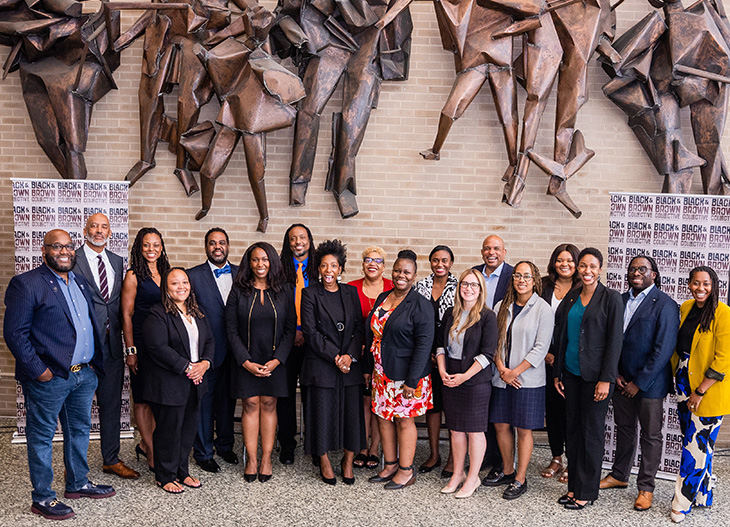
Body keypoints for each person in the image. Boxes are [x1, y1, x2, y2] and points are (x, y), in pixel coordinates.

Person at [4, 229, 115, 520]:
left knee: (79, 431)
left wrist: (90, 366)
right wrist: (39, 371)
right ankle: (42, 497)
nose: (64, 251)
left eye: (68, 246)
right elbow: (15, 334)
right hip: (49, 378)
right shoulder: (26, 284)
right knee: (41, 437)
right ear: (44, 251)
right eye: (56, 246)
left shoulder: (78, 280)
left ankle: (78, 483)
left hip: (82, 375)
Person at [599, 255, 679, 512]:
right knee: (624, 429)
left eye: (642, 269)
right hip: (621, 379)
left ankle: (646, 487)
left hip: (649, 384)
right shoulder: (619, 300)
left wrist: (639, 382)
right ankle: (620, 475)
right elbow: (611, 341)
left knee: (651, 435)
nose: (636, 272)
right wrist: (616, 374)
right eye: (632, 269)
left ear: (653, 274)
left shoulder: (665, 304)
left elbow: (664, 349)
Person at [553, 247, 623, 509]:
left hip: (596, 379)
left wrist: (607, 379)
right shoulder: (572, 296)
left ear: (600, 269)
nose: (587, 271)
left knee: (591, 434)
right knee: (573, 432)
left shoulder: (611, 299)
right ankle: (574, 488)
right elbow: (563, 336)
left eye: (592, 266)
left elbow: (615, 343)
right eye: (583, 266)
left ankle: (587, 492)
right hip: (571, 374)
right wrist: (558, 372)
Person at [72, 213, 139, 479]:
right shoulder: (72, 259)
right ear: (85, 229)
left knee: (111, 406)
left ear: (110, 232)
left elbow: (117, 305)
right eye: (94, 226)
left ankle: (111, 459)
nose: (99, 231)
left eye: (104, 227)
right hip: (83, 349)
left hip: (112, 347)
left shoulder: (117, 261)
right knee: (77, 409)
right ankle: (75, 466)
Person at [227, 242, 296, 482]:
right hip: (246, 360)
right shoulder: (238, 291)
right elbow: (231, 329)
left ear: (272, 262)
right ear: (249, 262)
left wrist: (278, 361)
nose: (260, 264)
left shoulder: (285, 290)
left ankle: (266, 458)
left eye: (265, 259)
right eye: (255, 260)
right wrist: (245, 361)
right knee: (250, 405)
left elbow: (290, 330)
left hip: (275, 361)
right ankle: (252, 460)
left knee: (269, 404)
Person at [366, 250, 434, 490]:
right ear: (391, 271)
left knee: (404, 421)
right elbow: (373, 335)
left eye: (406, 272)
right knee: (384, 418)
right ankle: (391, 464)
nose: (400, 275)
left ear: (414, 275)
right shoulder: (383, 297)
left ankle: (406, 471)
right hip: (381, 373)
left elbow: (425, 345)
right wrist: (368, 368)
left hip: (407, 376)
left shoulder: (420, 304)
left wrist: (412, 380)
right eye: (397, 270)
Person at [143, 268, 214, 493]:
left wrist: (205, 364)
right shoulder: (157, 313)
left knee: (187, 429)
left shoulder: (197, 312)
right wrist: (187, 367)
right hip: (170, 381)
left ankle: (182, 471)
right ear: (166, 287)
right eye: (175, 283)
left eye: (185, 282)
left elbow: (210, 341)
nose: (181, 286)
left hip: (196, 380)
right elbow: (157, 347)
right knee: (169, 430)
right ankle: (164, 476)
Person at [301, 240, 365, 485]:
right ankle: (324, 460)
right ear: (318, 268)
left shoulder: (350, 293)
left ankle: (348, 461)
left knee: (352, 415)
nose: (329, 270)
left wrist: (349, 355)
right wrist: (336, 357)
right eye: (324, 266)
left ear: (341, 269)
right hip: (321, 365)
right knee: (321, 414)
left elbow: (359, 328)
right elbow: (310, 332)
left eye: (334, 266)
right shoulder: (310, 294)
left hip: (350, 366)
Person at [488, 262, 553, 499]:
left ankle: (520, 478)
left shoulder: (542, 309)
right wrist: (502, 368)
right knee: (501, 424)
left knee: (524, 430)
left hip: (527, 379)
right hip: (501, 376)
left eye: (527, 276)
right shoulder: (500, 307)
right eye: (517, 275)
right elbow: (493, 342)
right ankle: (507, 469)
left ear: (535, 280)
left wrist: (514, 372)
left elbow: (540, 348)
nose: (521, 280)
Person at [670, 266, 730, 523]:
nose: (700, 288)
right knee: (698, 444)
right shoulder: (685, 308)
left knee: (695, 447)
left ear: (714, 285)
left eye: (705, 284)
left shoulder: (724, 313)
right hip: (684, 380)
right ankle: (703, 494)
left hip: (708, 388)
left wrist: (700, 391)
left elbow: (724, 358)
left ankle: (681, 502)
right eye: (695, 283)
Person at [436, 269, 497, 499]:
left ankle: (473, 477)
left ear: (481, 289)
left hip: (475, 383)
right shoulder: (450, 314)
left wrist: (464, 376)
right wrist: (442, 371)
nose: (468, 288)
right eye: (464, 284)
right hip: (451, 380)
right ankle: (457, 473)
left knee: (474, 432)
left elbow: (487, 354)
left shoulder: (487, 317)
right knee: (456, 431)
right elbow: (441, 347)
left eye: (473, 285)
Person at [188, 228, 239, 473]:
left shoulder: (242, 273)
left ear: (228, 246)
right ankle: (203, 452)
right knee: (205, 403)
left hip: (237, 351)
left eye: (221, 242)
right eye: (212, 243)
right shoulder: (193, 276)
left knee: (228, 400)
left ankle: (226, 445)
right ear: (206, 247)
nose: (217, 247)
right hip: (206, 350)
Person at [121, 227, 171, 472]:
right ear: (139, 249)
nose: (152, 249)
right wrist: (131, 350)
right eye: (146, 245)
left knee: (158, 398)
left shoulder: (167, 272)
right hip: (141, 344)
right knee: (142, 399)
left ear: (162, 248)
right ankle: (150, 451)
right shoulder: (133, 275)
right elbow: (126, 314)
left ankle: (146, 443)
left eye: (156, 245)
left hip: (163, 345)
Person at [472, 234, 513, 479]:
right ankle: (482, 456)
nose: (491, 252)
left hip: (500, 345)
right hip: (474, 346)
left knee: (498, 409)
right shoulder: (474, 273)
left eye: (496, 248)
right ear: (481, 252)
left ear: (504, 252)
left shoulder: (512, 275)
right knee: (480, 405)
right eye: (487, 248)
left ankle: (500, 460)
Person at [348, 246, 392, 469]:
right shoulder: (350, 288)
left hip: (385, 357)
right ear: (362, 264)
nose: (372, 263)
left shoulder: (394, 289)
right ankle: (361, 447)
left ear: (384, 266)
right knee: (363, 401)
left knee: (379, 403)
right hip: (357, 355)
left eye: (377, 260)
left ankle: (374, 449)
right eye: (367, 259)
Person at [416, 245, 458, 476]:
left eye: (444, 260)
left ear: (451, 263)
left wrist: (442, 352)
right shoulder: (420, 286)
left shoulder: (460, 286)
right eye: (435, 260)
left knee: (451, 409)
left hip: (451, 355)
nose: (439, 264)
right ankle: (433, 454)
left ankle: (453, 457)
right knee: (432, 407)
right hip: (425, 354)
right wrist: (428, 352)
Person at [540, 243, 580, 483]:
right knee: (552, 411)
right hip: (544, 359)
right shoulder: (543, 285)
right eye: (560, 260)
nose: (564, 264)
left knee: (571, 412)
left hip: (572, 360)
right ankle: (557, 457)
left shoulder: (583, 287)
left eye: (569, 260)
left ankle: (573, 461)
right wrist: (544, 353)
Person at [277, 223, 316, 464]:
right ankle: (287, 444)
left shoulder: (320, 268)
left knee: (313, 395)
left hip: (314, 342)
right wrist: (292, 332)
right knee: (286, 394)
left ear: (310, 240)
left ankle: (314, 445)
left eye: (302, 237)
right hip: (286, 340)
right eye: (293, 239)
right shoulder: (279, 269)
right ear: (287, 243)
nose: (298, 242)